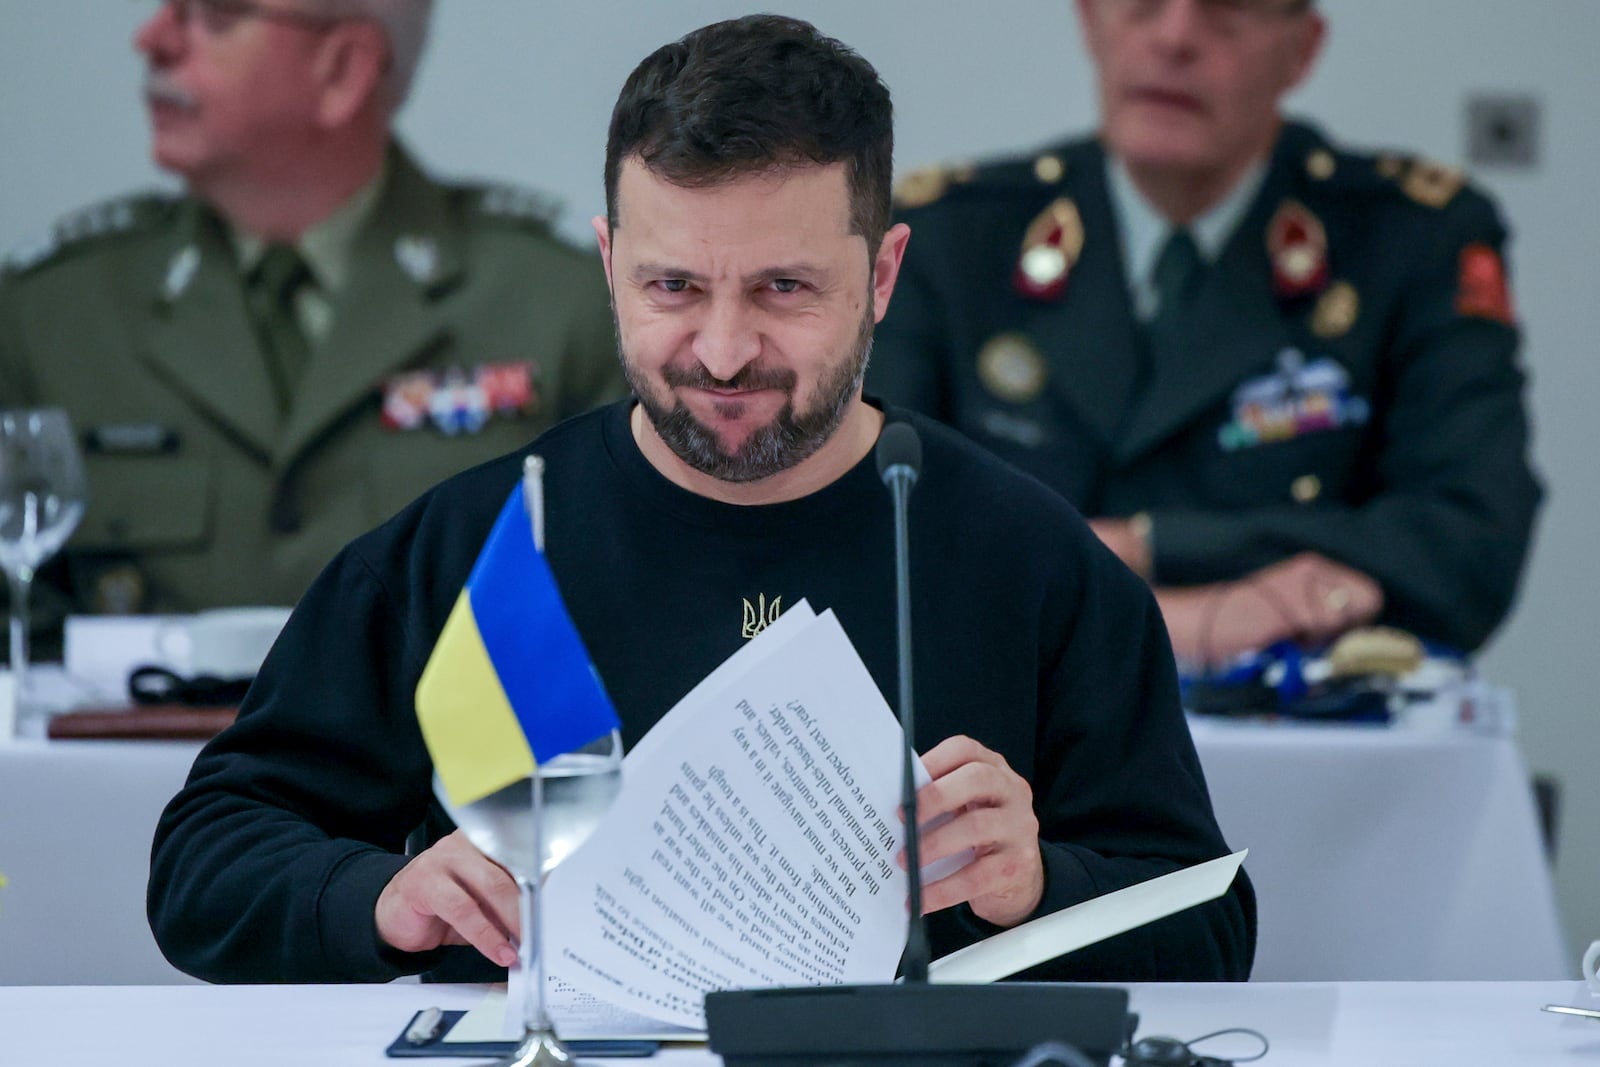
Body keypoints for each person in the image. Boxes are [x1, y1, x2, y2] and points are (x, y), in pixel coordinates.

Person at [149, 15, 1253, 986]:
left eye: (785, 288)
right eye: (672, 286)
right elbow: (206, 855)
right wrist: (377, 898)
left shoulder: (1032, 559)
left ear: (881, 275)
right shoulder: (481, 541)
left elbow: (1212, 921)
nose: (723, 353)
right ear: (609, 260)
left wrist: (1040, 883)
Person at [869, 0, 1541, 665]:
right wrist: (1192, 624)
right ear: (1088, 20)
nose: (1176, 36)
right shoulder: (955, 237)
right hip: (1011, 740)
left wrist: (1148, 544)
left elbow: (1471, 541)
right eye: (1143, 3)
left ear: (1301, 48)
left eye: (1228, 7)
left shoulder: (1411, 238)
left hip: (1306, 750)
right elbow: (876, 532)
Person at [0, 0, 622, 621]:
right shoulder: (46, 311)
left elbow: (625, 608)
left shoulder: (568, 304)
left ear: (343, 68)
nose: (152, 38)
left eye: (214, 15)